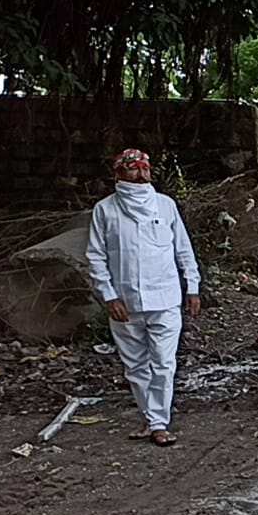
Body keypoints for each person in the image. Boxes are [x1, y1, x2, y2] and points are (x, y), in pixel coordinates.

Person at [86, 148, 201, 447]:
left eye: (146, 168)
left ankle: (158, 422)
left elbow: (183, 250)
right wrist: (109, 297)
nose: (142, 174)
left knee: (164, 362)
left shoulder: (165, 206)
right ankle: (152, 421)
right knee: (135, 366)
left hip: (165, 299)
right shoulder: (105, 210)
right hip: (125, 302)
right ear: (119, 174)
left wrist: (193, 286)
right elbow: (96, 258)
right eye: (134, 169)